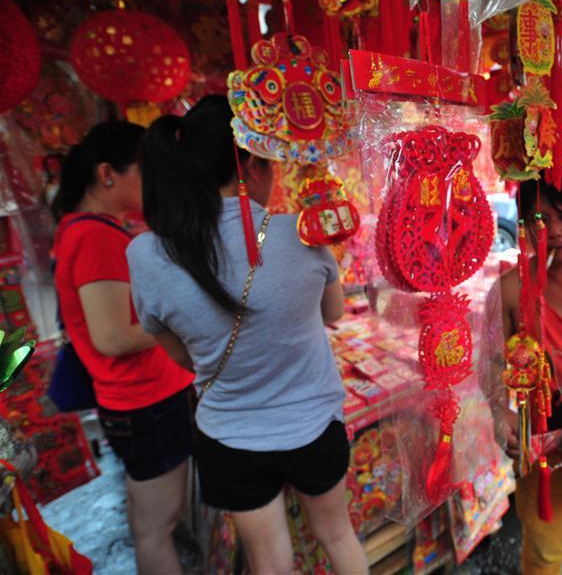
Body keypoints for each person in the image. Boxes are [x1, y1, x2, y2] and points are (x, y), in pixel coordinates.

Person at [128, 95, 368, 574]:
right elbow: (334, 312)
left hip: (230, 437)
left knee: (269, 561)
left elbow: (183, 356)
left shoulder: (145, 254)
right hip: (314, 425)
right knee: (338, 537)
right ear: (252, 166)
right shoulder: (302, 232)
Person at [52, 121, 195, 575]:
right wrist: (182, 323)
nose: (150, 184)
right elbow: (111, 337)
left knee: (148, 515)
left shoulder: (87, 228)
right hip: (146, 400)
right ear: (107, 174)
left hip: (139, 399)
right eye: (143, 171)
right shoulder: (95, 237)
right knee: (158, 526)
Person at [496, 170, 562, 575]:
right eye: (539, 221)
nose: (553, 231)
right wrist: (500, 416)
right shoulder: (511, 289)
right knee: (544, 555)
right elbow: (491, 366)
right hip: (541, 444)